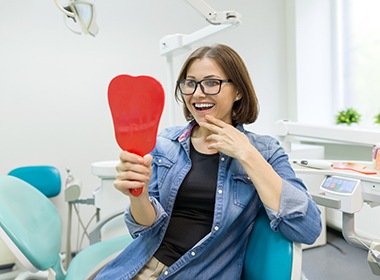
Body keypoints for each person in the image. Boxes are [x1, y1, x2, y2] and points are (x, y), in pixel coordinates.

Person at [95, 43, 322, 280]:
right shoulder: (164, 143)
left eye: (212, 83)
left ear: (238, 91)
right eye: (190, 83)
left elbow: (307, 228)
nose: (197, 93)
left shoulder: (265, 151)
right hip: (138, 267)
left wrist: (247, 153)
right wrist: (137, 195)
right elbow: (144, 228)